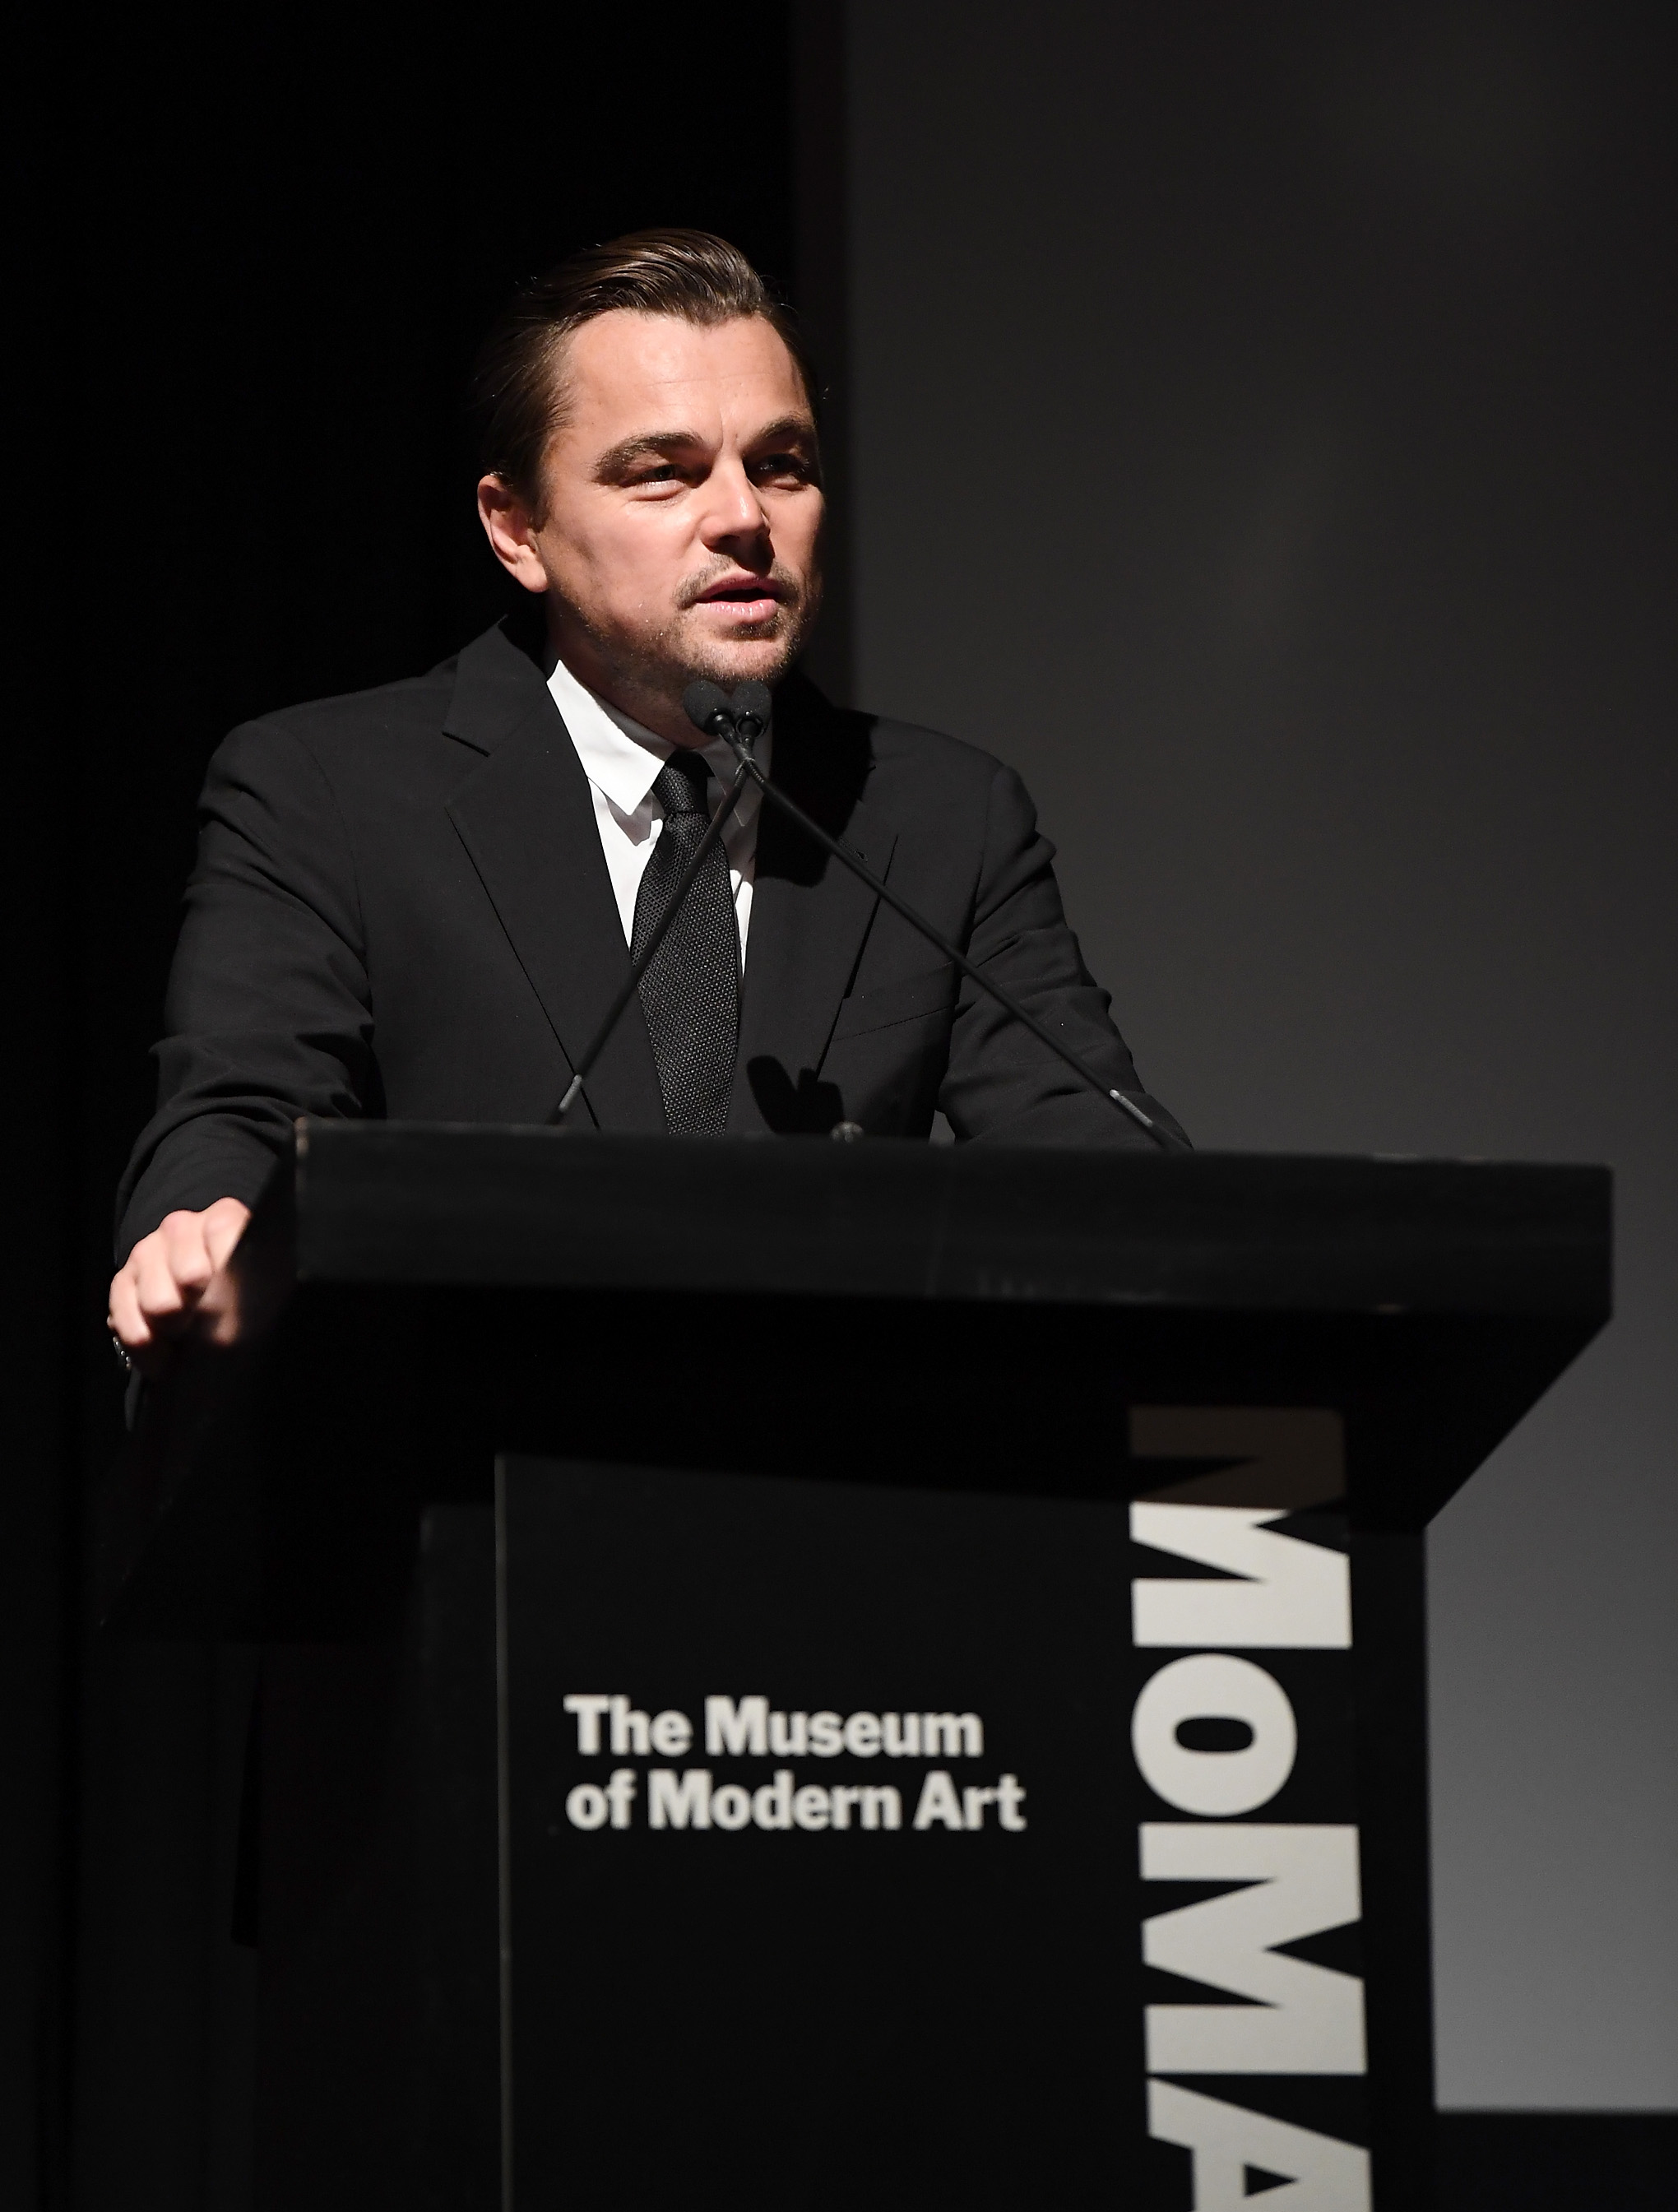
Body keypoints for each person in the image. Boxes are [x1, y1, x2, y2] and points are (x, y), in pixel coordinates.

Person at [108, 228, 1183, 1370]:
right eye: (663, 472)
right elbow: (237, 1112)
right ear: (517, 530)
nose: (743, 519)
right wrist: (205, 1228)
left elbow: (1096, 1159)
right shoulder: (327, 792)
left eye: (783, 465)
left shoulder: (939, 819)